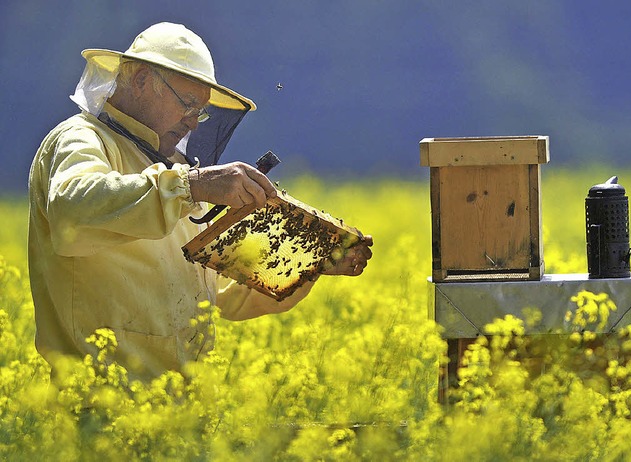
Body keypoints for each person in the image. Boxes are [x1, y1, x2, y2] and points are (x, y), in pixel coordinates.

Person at [28, 22, 373, 380]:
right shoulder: (80, 139)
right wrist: (191, 186)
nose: (193, 124)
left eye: (201, 112)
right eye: (188, 104)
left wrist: (308, 263)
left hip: (181, 411)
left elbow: (216, 292)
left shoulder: (169, 170)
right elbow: (73, 210)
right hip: (97, 409)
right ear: (143, 80)